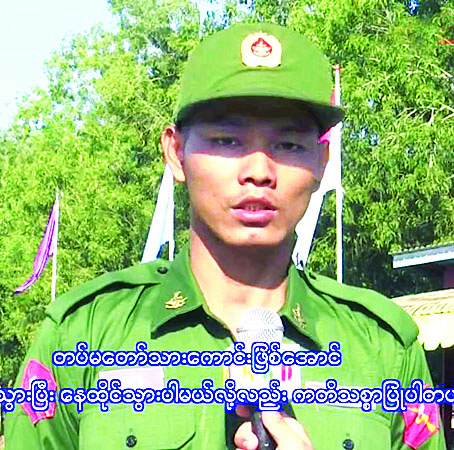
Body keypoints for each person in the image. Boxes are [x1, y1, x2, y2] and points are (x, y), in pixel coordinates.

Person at [5, 22, 445, 450]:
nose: (258, 171)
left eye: (288, 145)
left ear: (321, 163)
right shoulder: (84, 335)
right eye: (227, 140)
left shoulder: (383, 350)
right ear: (176, 153)